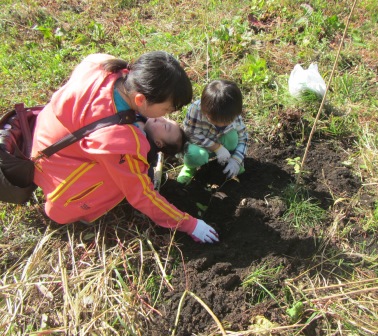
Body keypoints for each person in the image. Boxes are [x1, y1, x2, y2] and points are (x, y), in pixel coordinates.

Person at [31, 52, 219, 244]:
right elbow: (141, 195)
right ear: (140, 100)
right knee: (125, 177)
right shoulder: (121, 141)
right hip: (61, 186)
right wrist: (190, 224)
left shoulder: (103, 64)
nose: (166, 116)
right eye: (166, 110)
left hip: (42, 139)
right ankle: (79, 207)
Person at [177, 79, 248, 185]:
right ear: (205, 112)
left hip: (223, 147)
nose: (221, 125)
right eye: (215, 121)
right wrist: (216, 147)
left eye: (227, 122)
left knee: (233, 138)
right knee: (195, 155)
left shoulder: (233, 114)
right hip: (200, 147)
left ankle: (228, 160)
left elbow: (243, 138)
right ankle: (190, 167)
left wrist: (236, 160)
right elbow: (190, 134)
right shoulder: (196, 110)